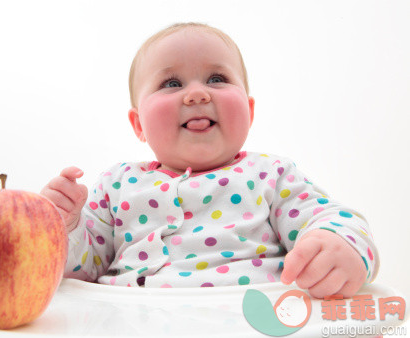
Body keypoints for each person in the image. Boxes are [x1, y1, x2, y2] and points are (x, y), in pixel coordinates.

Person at [41, 22, 378, 298]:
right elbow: (83, 268)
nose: (197, 93)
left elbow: (330, 217)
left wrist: (338, 244)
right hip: (131, 318)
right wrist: (66, 226)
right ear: (139, 124)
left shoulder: (270, 175)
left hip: (247, 316)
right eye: (171, 83)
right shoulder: (116, 185)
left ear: (249, 110)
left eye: (217, 79)